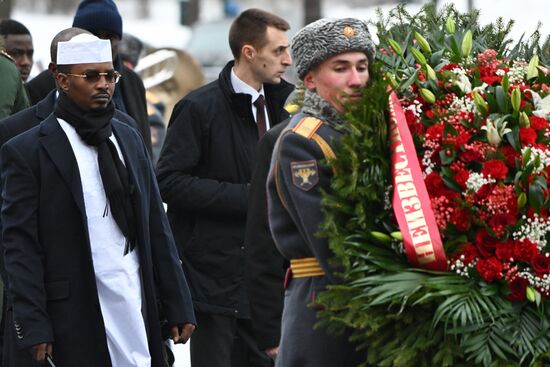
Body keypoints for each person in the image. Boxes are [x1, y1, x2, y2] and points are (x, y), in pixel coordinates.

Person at [0, 33, 195, 367]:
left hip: (133, 303)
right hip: (73, 316)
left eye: (110, 75)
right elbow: (19, 247)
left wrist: (177, 301)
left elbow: (154, 224)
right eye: (91, 76)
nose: (104, 84)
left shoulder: (128, 136)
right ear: (61, 79)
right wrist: (33, 324)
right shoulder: (27, 150)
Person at [156, 8, 294, 367]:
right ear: (249, 52)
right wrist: (251, 197)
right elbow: (169, 182)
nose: (287, 59)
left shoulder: (291, 105)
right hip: (216, 282)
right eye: (278, 50)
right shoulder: (199, 108)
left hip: (272, 281)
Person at [266, 18, 375, 366]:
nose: (356, 79)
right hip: (326, 307)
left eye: (362, 67)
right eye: (340, 68)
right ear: (310, 79)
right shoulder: (304, 141)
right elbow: (331, 240)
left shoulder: (367, 129)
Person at [25, 0, 152, 155]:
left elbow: (144, 145)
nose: (100, 42)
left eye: (109, 37)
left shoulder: (132, 82)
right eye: (93, 35)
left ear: (119, 40)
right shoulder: (43, 85)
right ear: (62, 80)